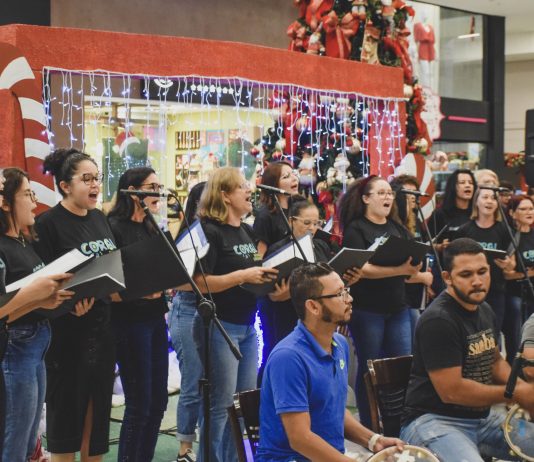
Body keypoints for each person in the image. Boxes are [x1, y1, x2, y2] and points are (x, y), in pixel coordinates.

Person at [400, 238, 534, 462]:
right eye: (466, 274)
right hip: (433, 421)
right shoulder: (439, 320)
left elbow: (494, 362)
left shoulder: (484, 309)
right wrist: (515, 394)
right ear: (447, 277)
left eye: (482, 272)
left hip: (482, 420)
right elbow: (452, 391)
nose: (477, 281)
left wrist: (522, 388)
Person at [256, 262, 403, 461]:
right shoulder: (288, 357)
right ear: (313, 306)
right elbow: (300, 439)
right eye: (339, 294)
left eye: (346, 291)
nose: (349, 299)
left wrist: (373, 440)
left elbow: (334, 410)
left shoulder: (339, 344)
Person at [34, 148, 118, 462]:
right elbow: (41, 283)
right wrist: (67, 307)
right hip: (67, 335)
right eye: (86, 179)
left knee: (96, 426)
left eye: (97, 178)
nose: (95, 184)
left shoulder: (99, 218)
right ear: (65, 186)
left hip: (102, 329)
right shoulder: (48, 224)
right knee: (67, 422)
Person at [193, 167, 278, 462]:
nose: (249, 191)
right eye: (242, 186)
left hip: (247, 325)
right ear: (225, 195)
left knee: (242, 403)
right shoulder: (209, 230)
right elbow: (199, 282)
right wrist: (243, 276)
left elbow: (254, 270)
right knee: (220, 405)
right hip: (219, 324)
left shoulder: (247, 230)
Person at [338, 175, 426, 428]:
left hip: (397, 306)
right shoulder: (357, 229)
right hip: (367, 309)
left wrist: (414, 264)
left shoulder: (397, 228)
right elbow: (361, 269)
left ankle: (398, 423)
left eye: (389, 193)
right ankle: (370, 425)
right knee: (370, 367)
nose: (388, 197)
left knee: (400, 366)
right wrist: (399, 270)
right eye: (381, 193)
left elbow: (412, 261)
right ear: (366, 199)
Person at [0, 168, 74, 461]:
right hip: (16, 345)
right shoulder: (3, 246)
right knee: (15, 437)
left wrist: (45, 300)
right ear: (6, 203)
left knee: (29, 435)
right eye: (28, 194)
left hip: (37, 341)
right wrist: (34, 294)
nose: (34, 202)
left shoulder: (23, 241)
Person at [107, 167, 169, 461]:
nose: (158, 192)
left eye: (159, 186)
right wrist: (141, 291)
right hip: (129, 322)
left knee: (158, 402)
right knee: (139, 403)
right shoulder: (114, 227)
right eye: (151, 186)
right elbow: (111, 284)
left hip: (155, 317)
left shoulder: (151, 225)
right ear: (132, 192)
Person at [261, 196, 361, 353]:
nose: (312, 228)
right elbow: (268, 292)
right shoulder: (278, 250)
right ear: (291, 221)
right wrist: (278, 295)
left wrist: (348, 280)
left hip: (321, 319)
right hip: (287, 318)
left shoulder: (321, 246)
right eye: (307, 223)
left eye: (316, 223)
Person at [168, 181, 206, 462]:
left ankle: (208, 445)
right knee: (192, 381)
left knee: (212, 384)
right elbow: (176, 281)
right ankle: (185, 448)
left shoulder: (226, 230)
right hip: (188, 308)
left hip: (214, 311)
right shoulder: (188, 236)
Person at [253, 162, 299, 379]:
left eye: (293, 174)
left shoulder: (297, 209)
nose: (293, 179)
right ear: (272, 184)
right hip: (275, 292)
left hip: (295, 291)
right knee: (275, 348)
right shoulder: (265, 216)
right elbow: (258, 256)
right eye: (286, 176)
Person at [455, 187, 515, 337]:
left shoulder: (505, 230)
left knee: (492, 336)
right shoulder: (464, 230)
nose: (489, 201)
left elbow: (512, 264)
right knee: (469, 335)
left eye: (493, 198)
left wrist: (507, 264)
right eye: (485, 197)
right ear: (476, 202)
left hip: (495, 289)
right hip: (468, 290)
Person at [390, 174, 434, 339]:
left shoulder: (416, 222)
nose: (413, 197)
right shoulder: (395, 226)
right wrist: (423, 277)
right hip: (403, 296)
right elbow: (401, 267)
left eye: (415, 192)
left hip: (416, 295)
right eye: (408, 192)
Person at [503, 195, 534, 364]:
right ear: (512, 213)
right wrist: (526, 274)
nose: (529, 212)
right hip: (515, 292)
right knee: (517, 334)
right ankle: (515, 367)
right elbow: (508, 274)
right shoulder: (510, 237)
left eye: (531, 208)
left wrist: (526, 272)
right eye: (523, 209)